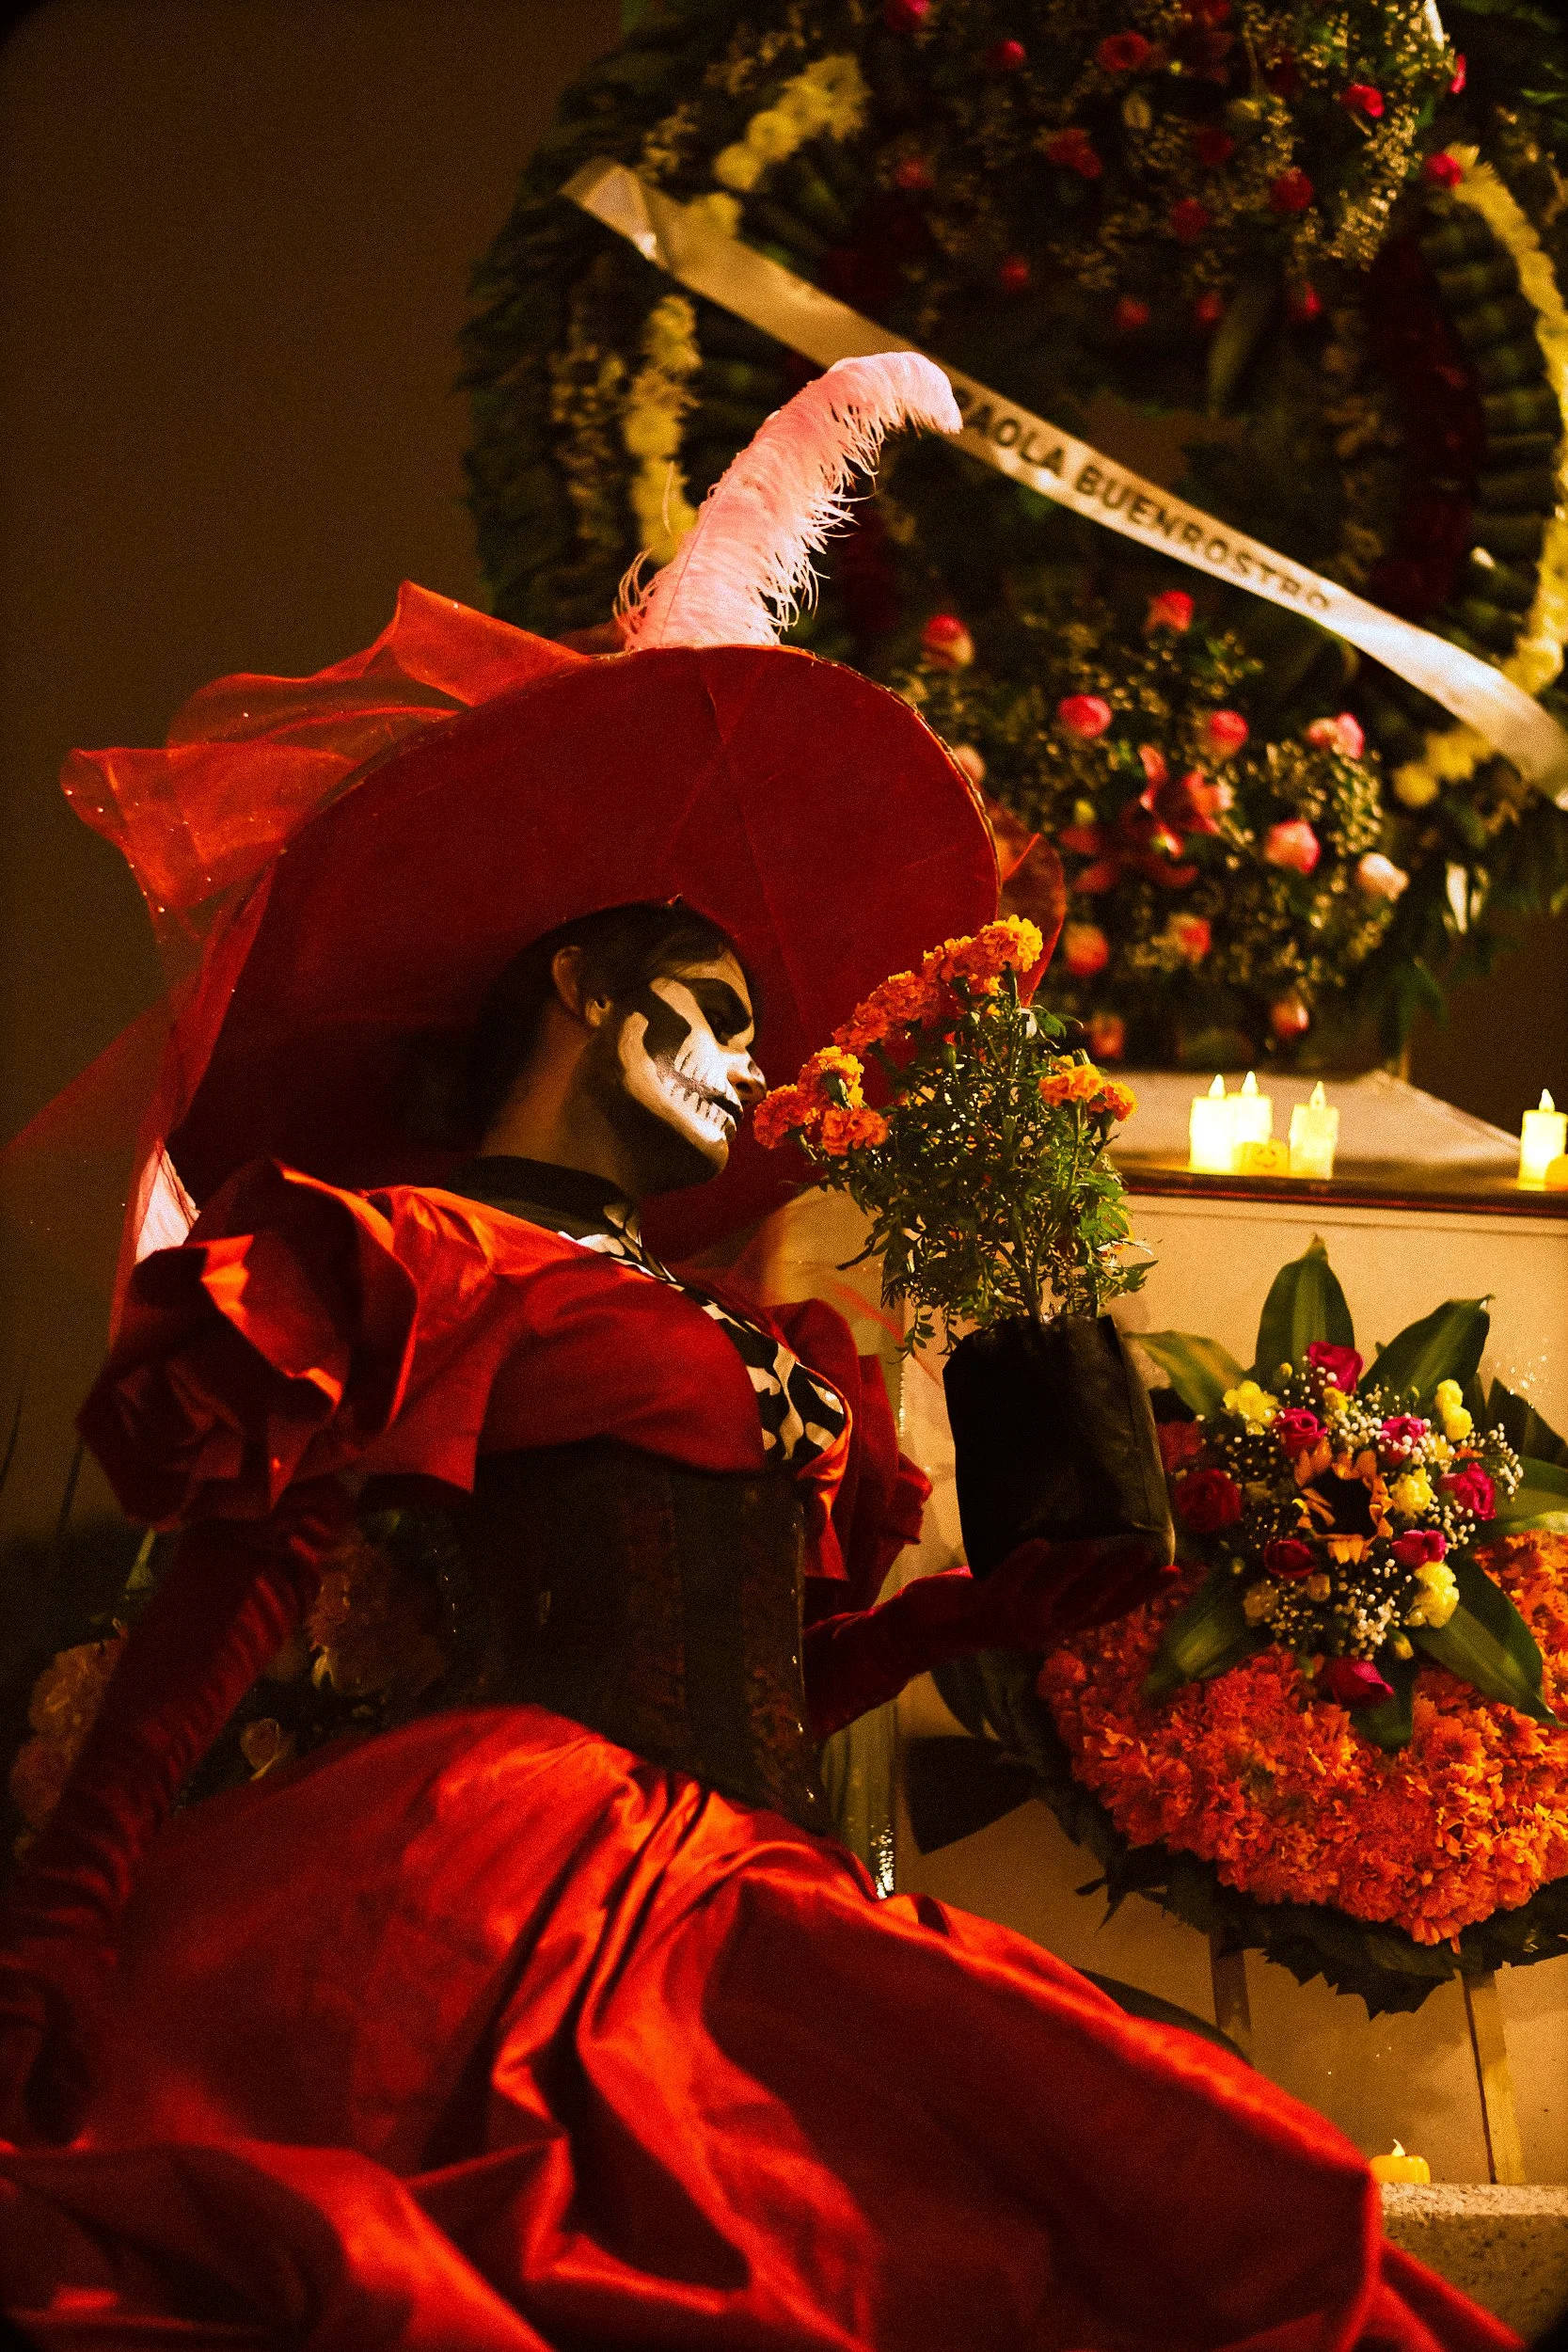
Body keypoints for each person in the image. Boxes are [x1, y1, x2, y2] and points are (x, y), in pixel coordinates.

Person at [0, 359, 1515, 2351]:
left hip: (737, 1870)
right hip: (510, 1876)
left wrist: (954, 1618)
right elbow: (242, 1580)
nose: (748, 1062)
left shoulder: (735, 1326)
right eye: (709, 1010)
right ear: (579, 983)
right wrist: (69, 1912)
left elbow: (757, 1679)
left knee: (1160, 2180)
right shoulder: (427, 1253)